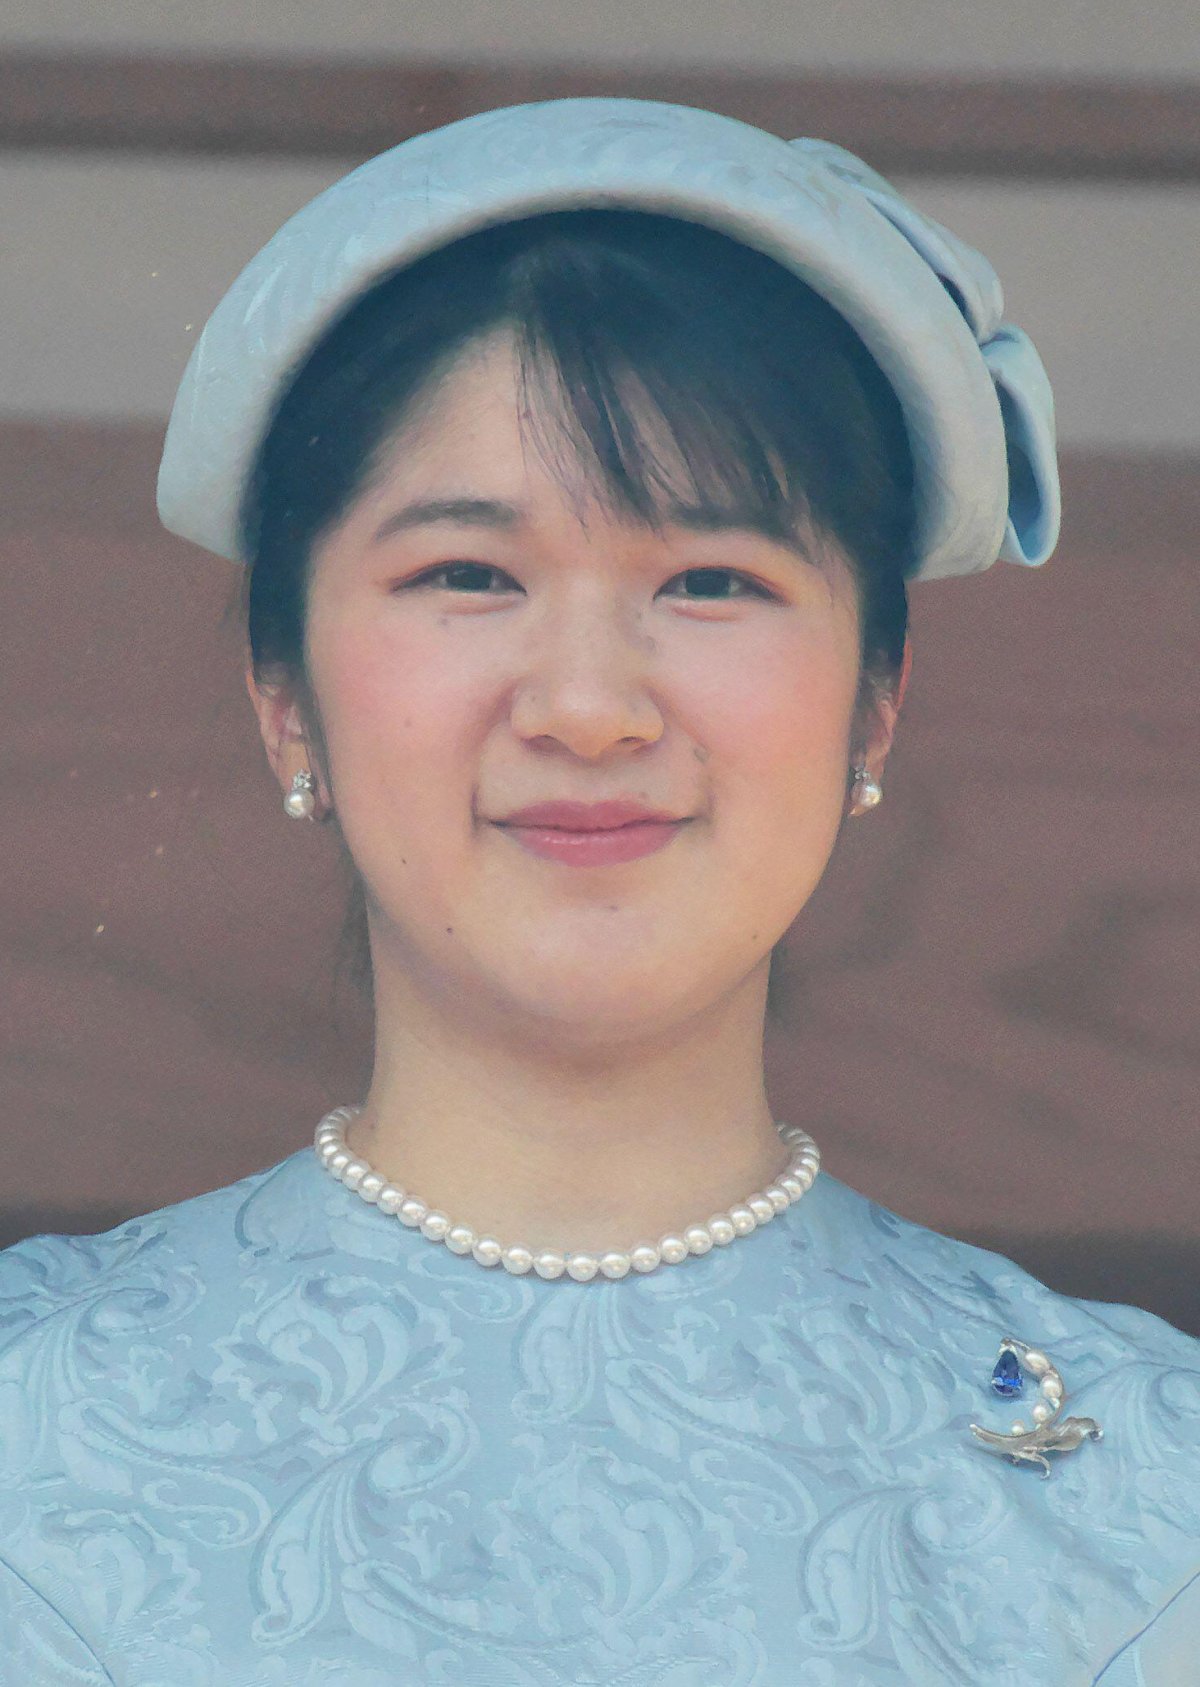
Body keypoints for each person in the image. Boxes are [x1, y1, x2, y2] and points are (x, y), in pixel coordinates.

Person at [0, 98, 1195, 1685]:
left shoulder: (1148, 1496)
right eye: (467, 575)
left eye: (712, 580)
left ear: (877, 700)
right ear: (284, 691)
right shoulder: (33, 1426)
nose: (587, 705)